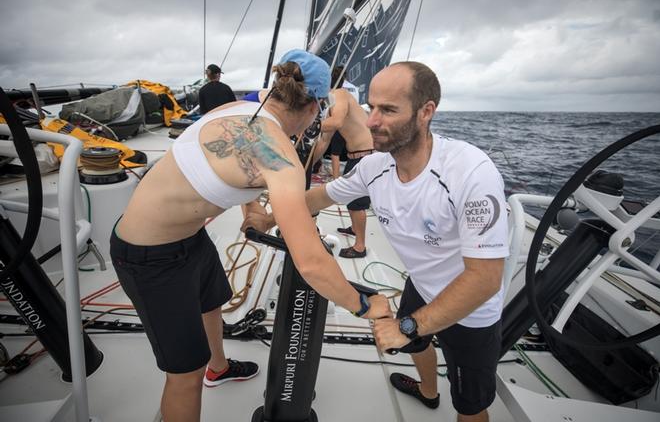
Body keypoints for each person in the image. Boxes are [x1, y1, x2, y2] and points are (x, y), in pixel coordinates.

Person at [110, 49, 391, 422]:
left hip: (189, 238)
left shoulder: (234, 107)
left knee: (211, 303)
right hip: (148, 254)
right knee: (183, 375)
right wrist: (365, 305)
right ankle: (204, 371)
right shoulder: (282, 159)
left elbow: (237, 167)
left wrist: (254, 211)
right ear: (314, 109)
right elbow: (309, 261)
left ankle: (219, 367)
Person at [304, 61, 508, 422]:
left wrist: (406, 326)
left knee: (470, 406)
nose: (370, 122)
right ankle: (428, 391)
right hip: (421, 281)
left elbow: (485, 279)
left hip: (472, 309)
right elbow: (322, 197)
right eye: (370, 107)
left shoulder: (470, 172)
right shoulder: (374, 166)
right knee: (418, 343)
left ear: (426, 112)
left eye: (388, 110)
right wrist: (270, 211)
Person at [311, 66, 374, 258]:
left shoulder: (340, 94)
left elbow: (337, 123)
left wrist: (306, 125)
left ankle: (360, 247)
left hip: (367, 155)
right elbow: (325, 140)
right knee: (351, 199)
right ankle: (355, 229)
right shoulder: (332, 104)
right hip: (358, 155)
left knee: (356, 202)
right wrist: (307, 164)